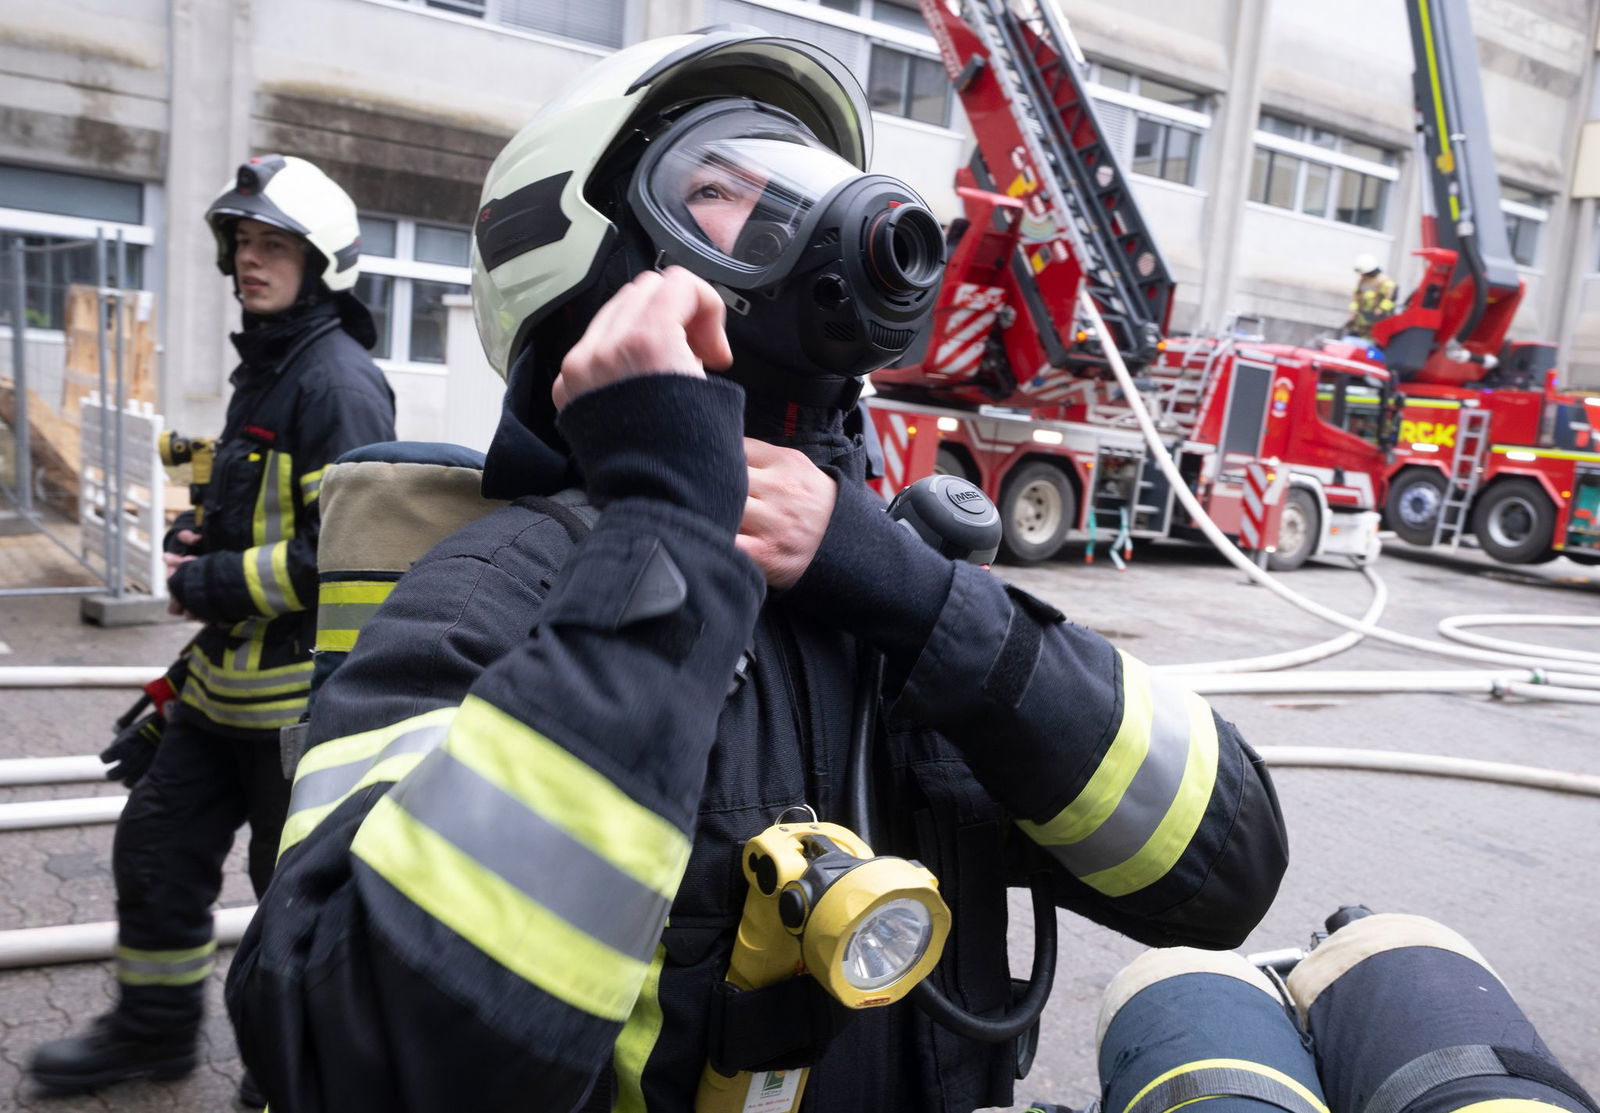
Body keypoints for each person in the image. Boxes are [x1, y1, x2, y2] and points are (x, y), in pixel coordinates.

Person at [225, 30, 1289, 1113]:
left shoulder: (896, 593)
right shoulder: (503, 585)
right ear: (608, 259)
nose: (806, 205)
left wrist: (912, 596)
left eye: (795, 168)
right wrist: (665, 528)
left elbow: (1224, 873)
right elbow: (345, 1052)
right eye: (723, 185)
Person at [29, 154, 396, 1104]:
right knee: (153, 855)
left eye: (273, 245)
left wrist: (210, 580)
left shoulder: (339, 385)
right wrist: (203, 530)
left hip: (293, 716)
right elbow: (259, 513)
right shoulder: (267, 371)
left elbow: (341, 557)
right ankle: (152, 1036)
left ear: (323, 262)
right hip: (217, 693)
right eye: (241, 242)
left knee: (292, 911)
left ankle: (285, 1076)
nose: (249, 260)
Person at [1343, 253, 1398, 342]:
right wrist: (1353, 312)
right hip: (1360, 322)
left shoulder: (1385, 282)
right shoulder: (1362, 281)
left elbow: (1389, 300)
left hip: (1375, 324)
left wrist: (1380, 311)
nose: (1361, 275)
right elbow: (1356, 298)